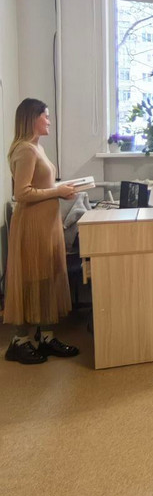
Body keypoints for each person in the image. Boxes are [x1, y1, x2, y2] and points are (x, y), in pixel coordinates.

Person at [4, 98, 79, 364]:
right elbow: (22, 193)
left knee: (47, 278)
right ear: (32, 118)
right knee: (31, 279)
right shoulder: (25, 150)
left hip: (46, 224)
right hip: (32, 225)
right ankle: (19, 341)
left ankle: (46, 336)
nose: (49, 120)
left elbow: (41, 185)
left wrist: (62, 190)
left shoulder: (38, 148)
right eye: (45, 116)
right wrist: (57, 191)